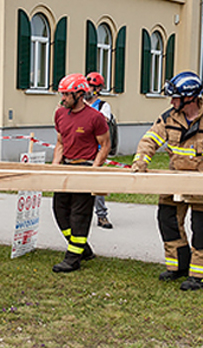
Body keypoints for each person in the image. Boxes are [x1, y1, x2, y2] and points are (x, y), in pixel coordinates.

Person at [132, 71, 203, 291]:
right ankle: (178, 265)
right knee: (167, 221)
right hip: (175, 181)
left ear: (190, 98)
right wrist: (140, 161)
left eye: (175, 97)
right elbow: (150, 139)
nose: (171, 101)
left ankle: (199, 275)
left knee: (202, 228)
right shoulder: (169, 118)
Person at [50, 74, 111, 273]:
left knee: (79, 215)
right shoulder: (59, 114)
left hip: (85, 167)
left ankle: (73, 258)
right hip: (66, 166)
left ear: (79, 94)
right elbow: (60, 142)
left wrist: (94, 170)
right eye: (62, 94)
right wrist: (54, 167)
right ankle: (82, 248)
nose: (63, 98)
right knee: (60, 211)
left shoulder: (95, 117)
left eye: (67, 94)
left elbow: (105, 145)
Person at [84, 71, 115, 229]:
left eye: (90, 87)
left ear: (97, 89)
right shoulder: (80, 104)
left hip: (97, 151)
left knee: (97, 183)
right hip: (81, 150)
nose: (87, 90)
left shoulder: (103, 106)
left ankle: (102, 215)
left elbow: (102, 122)